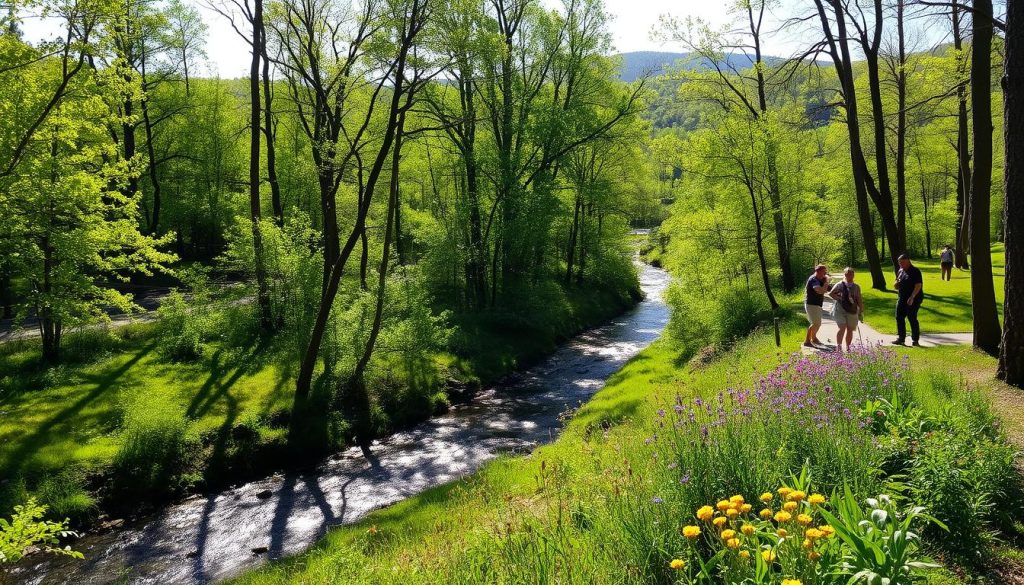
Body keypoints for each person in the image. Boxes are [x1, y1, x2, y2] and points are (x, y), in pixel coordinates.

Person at [829, 267, 864, 352]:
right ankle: (839, 347)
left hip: (852, 309)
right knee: (842, 328)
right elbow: (831, 294)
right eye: (848, 274)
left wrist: (861, 309)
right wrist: (840, 299)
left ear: (853, 275)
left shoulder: (856, 287)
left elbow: (859, 298)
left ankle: (848, 348)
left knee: (850, 329)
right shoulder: (839, 284)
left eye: (851, 274)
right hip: (840, 309)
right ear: (845, 275)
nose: (850, 276)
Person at [893, 253, 924, 347]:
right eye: (899, 263)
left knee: (911, 317)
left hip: (914, 298)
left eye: (903, 263)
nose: (901, 265)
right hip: (902, 297)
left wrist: (912, 297)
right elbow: (896, 282)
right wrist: (896, 284)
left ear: (908, 261)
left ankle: (915, 340)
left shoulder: (915, 271)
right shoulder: (900, 271)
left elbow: (918, 285)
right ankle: (901, 338)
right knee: (899, 317)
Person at [804, 264, 831, 348]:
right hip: (811, 304)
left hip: (817, 304)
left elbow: (828, 289)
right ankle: (807, 341)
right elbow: (820, 291)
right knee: (815, 323)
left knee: (817, 323)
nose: (825, 273)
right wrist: (827, 282)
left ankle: (814, 338)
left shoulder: (820, 279)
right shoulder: (814, 280)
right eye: (824, 272)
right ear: (818, 271)